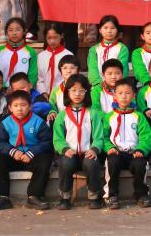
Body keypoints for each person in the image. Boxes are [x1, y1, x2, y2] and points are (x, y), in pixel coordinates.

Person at [0, 90, 54, 211]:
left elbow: (47, 142)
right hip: (13, 157)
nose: (20, 109)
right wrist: (12, 151)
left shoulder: (38, 122)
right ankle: (3, 197)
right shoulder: (6, 123)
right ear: (10, 108)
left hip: (32, 157)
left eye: (23, 105)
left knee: (45, 159)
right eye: (16, 106)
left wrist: (32, 152)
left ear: (30, 106)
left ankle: (34, 196)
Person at [53, 74, 106, 210]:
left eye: (81, 90)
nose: (77, 94)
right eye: (73, 90)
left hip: (88, 153)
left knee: (92, 164)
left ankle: (95, 197)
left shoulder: (93, 113)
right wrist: (65, 149)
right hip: (70, 153)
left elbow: (99, 137)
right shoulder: (62, 115)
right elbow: (58, 139)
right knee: (65, 164)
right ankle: (65, 198)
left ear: (87, 92)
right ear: (67, 92)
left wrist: (94, 149)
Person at [104, 78, 151, 209]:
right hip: (116, 152)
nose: (124, 96)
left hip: (134, 152)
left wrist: (141, 149)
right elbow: (103, 137)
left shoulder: (139, 116)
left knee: (140, 164)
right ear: (115, 95)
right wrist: (109, 147)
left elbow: (146, 136)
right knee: (112, 162)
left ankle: (141, 194)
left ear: (133, 95)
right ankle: (112, 195)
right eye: (120, 93)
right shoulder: (109, 117)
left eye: (127, 93)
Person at [0, 17, 38, 88]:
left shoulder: (31, 52)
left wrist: (25, 88)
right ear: (6, 32)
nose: (14, 33)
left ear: (24, 32)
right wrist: (3, 87)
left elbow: (33, 74)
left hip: (23, 90)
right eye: (10, 30)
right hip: (1, 89)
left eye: (18, 30)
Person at [87, 15, 129, 86]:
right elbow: (92, 70)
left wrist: (116, 85)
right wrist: (99, 85)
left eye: (113, 28)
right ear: (100, 30)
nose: (109, 31)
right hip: (98, 86)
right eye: (105, 28)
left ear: (117, 30)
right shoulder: (93, 50)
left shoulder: (122, 48)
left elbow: (122, 69)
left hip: (118, 86)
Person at [36, 23, 73, 95]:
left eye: (55, 37)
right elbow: (40, 79)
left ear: (61, 36)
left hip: (62, 94)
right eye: (49, 38)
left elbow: (70, 78)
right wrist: (43, 92)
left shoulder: (68, 55)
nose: (52, 41)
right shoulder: (41, 56)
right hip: (44, 95)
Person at [47, 55, 81, 121]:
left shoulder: (84, 88)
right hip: (61, 122)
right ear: (60, 71)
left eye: (72, 68)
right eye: (65, 68)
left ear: (78, 70)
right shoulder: (56, 91)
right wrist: (52, 112)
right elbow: (52, 106)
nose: (68, 71)